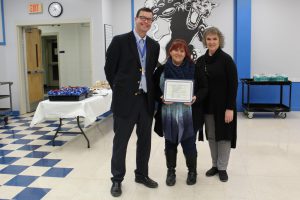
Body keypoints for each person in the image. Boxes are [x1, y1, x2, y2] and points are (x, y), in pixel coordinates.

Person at [104, 7, 160, 197]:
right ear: (136, 19)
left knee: (145, 142)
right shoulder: (120, 41)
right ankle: (117, 179)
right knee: (120, 143)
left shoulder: (154, 45)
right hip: (125, 102)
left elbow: (151, 72)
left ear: (152, 23)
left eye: (149, 19)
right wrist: (121, 90)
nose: (146, 22)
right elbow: (110, 69)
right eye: (143, 18)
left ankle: (141, 175)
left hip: (146, 102)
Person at [153, 39, 208, 186]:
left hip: (189, 115)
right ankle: (171, 171)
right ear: (170, 52)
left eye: (182, 51)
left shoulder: (195, 69)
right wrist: (161, 97)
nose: (178, 53)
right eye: (175, 50)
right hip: (168, 115)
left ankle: (192, 171)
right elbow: (153, 89)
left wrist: (195, 97)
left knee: (189, 144)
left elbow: (204, 88)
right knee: (170, 144)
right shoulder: (161, 70)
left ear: (186, 53)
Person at [196, 27, 238, 182]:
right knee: (212, 137)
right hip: (207, 107)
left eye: (214, 39)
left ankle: (222, 167)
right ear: (205, 41)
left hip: (224, 107)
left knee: (224, 137)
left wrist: (230, 108)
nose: (211, 42)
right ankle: (214, 165)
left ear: (219, 40)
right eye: (209, 39)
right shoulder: (200, 61)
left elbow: (233, 85)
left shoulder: (227, 60)